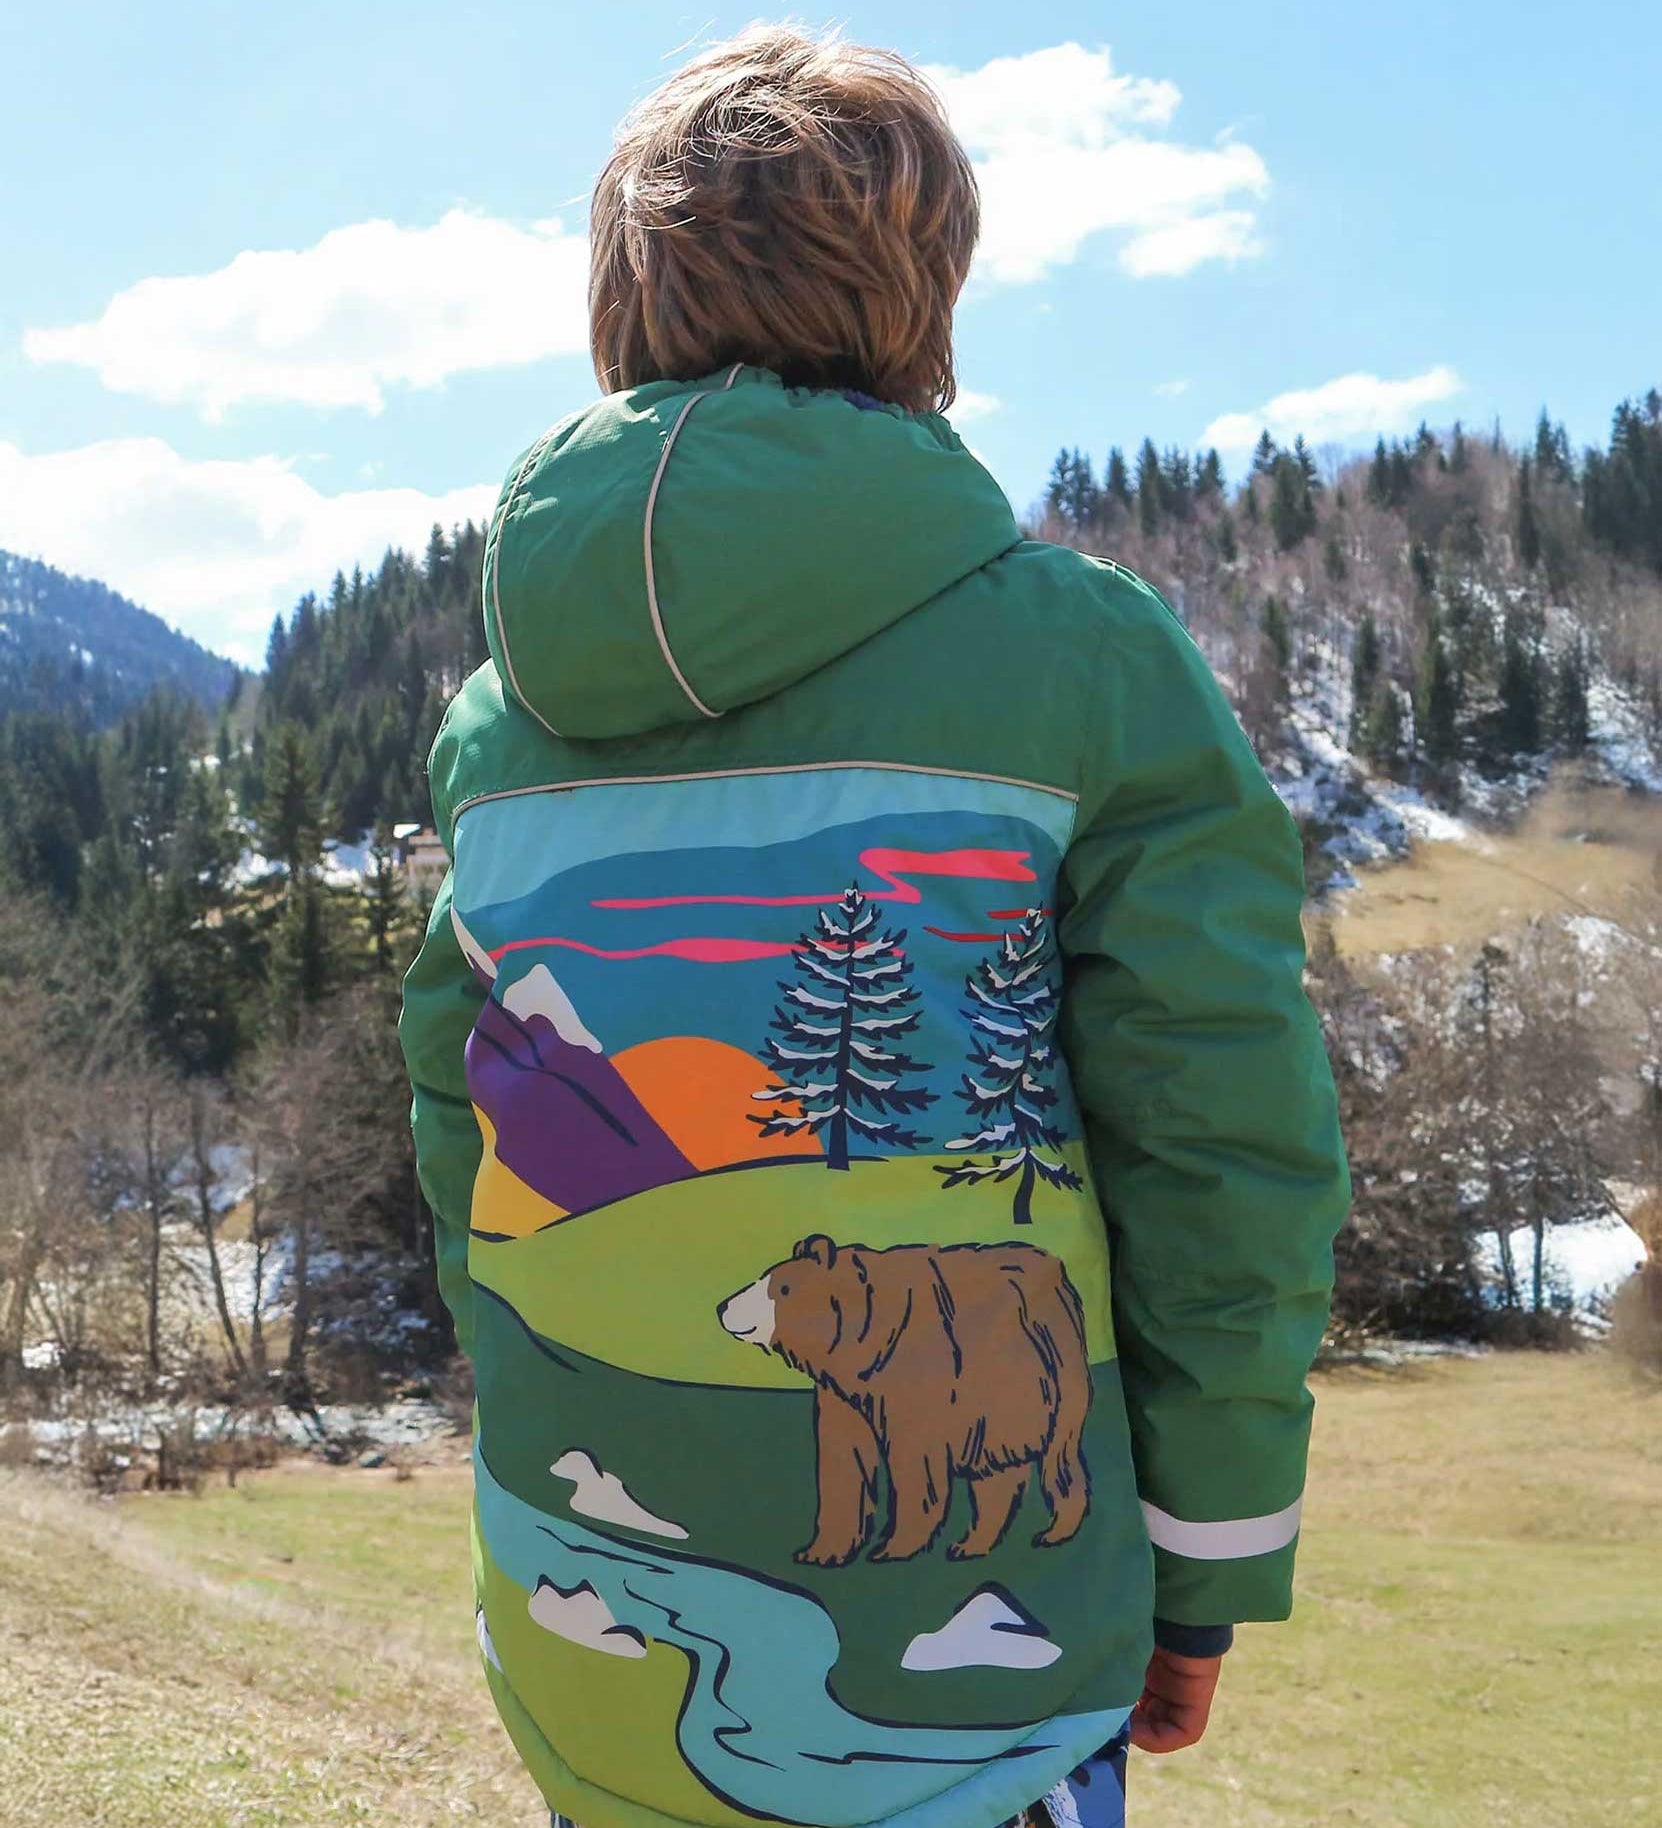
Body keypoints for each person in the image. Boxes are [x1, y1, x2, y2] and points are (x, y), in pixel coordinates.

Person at [398, 25, 1349, 1828]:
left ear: (621, 289)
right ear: (929, 290)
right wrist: (1209, 1552)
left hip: (573, 1631)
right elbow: (1220, 1135)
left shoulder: (493, 720)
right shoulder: (1083, 657)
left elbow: (467, 1115)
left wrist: (532, 1394)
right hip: (977, 1683)